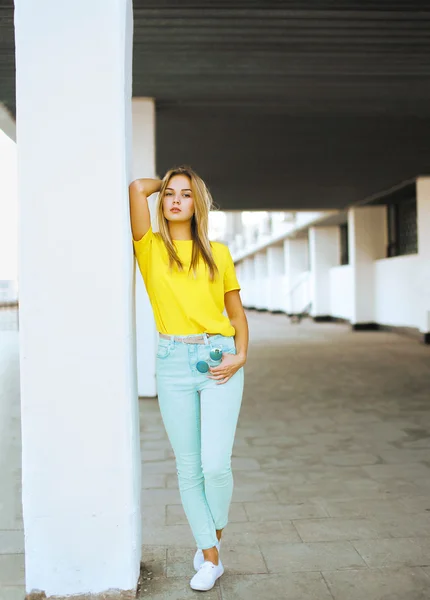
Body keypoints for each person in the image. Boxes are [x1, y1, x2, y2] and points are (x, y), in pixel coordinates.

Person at [129, 166, 248, 592]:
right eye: (169, 194)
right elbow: (134, 189)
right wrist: (161, 184)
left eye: (185, 193)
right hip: (173, 360)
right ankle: (211, 558)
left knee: (216, 465)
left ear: (198, 203)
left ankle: (212, 537)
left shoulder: (219, 252)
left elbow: (236, 315)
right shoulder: (151, 249)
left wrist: (241, 355)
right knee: (188, 468)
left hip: (219, 357)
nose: (175, 199)